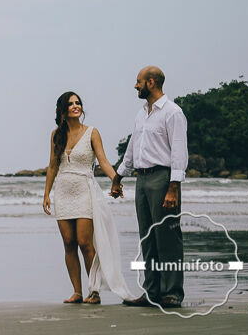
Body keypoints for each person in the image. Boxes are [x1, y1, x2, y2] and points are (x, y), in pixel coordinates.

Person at [43, 91, 133, 304]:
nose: (76, 106)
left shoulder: (92, 132)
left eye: (78, 103)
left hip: (85, 190)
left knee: (85, 242)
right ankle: (77, 291)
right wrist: (46, 193)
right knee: (68, 243)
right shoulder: (56, 134)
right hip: (63, 192)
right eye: (71, 103)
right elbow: (53, 165)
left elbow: (103, 161)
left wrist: (115, 180)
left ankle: (94, 291)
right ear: (63, 109)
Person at [112, 66, 188, 308]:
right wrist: (119, 176)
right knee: (148, 238)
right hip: (142, 180)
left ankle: (172, 293)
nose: (136, 86)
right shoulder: (141, 113)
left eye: (138, 82)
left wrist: (173, 186)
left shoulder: (173, 113)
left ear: (151, 83)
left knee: (168, 237)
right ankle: (152, 292)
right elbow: (133, 147)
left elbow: (178, 151)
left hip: (163, 179)